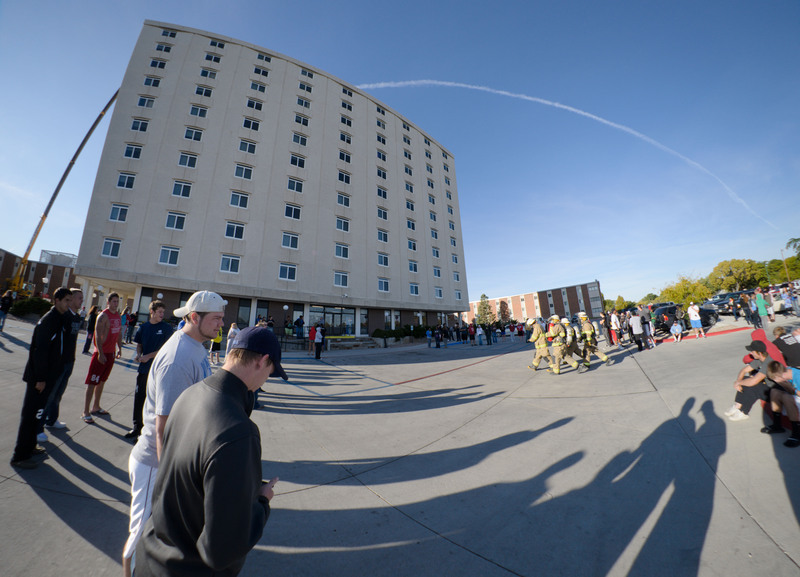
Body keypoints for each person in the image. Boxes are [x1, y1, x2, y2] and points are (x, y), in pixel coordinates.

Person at [135, 326, 286, 576]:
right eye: (272, 371)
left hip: (151, 556)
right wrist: (261, 502)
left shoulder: (189, 395)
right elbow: (221, 550)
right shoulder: (238, 431)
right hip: (188, 568)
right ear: (262, 361)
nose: (267, 379)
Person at [122, 291, 226, 577]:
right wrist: (171, 480)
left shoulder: (196, 346)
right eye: (216, 318)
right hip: (155, 465)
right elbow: (164, 426)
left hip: (171, 462)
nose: (222, 324)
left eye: (222, 318)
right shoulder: (178, 358)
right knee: (142, 537)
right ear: (195, 317)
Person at [10, 287, 71, 469]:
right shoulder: (49, 321)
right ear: (57, 300)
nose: (69, 303)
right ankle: (20, 455)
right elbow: (40, 352)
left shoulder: (60, 319)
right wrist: (41, 378)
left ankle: (30, 447)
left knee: (37, 415)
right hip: (39, 379)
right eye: (66, 300)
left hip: (48, 378)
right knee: (30, 416)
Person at [38, 288, 84, 441]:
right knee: (50, 394)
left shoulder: (77, 318)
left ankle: (52, 420)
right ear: (69, 300)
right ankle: (39, 426)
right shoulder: (62, 317)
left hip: (70, 361)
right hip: (59, 363)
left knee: (59, 393)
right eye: (78, 298)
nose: (81, 301)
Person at [126, 301, 173, 440]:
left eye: (163, 312)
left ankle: (148, 433)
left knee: (153, 402)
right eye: (159, 312)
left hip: (159, 371)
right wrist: (139, 355)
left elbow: (166, 349)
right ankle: (137, 427)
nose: (162, 315)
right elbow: (139, 344)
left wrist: (149, 356)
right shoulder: (144, 327)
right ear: (151, 311)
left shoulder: (166, 328)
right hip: (144, 370)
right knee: (139, 398)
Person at [82, 293, 123, 423]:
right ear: (108, 302)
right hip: (101, 354)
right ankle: (85, 411)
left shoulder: (117, 315)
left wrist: (119, 348)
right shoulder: (103, 316)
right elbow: (97, 336)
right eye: (114, 301)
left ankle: (96, 406)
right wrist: (100, 352)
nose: (116, 304)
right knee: (92, 382)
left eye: (117, 302)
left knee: (102, 381)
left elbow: (119, 333)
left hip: (111, 354)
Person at [724, 340, 773, 422]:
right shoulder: (758, 359)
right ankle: (737, 406)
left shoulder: (768, 363)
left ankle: (744, 412)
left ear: (759, 353)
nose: (751, 353)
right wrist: (739, 382)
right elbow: (743, 371)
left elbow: (754, 381)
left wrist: (739, 383)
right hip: (766, 387)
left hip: (774, 391)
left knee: (753, 386)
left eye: (752, 351)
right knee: (744, 379)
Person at [762, 361, 800, 447]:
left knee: (787, 397)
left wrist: (792, 390)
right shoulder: (786, 372)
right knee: (774, 391)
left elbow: (793, 391)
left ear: (780, 375)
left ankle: (797, 433)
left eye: (775, 379)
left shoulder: (798, 376)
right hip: (796, 399)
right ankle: (777, 425)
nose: (775, 381)